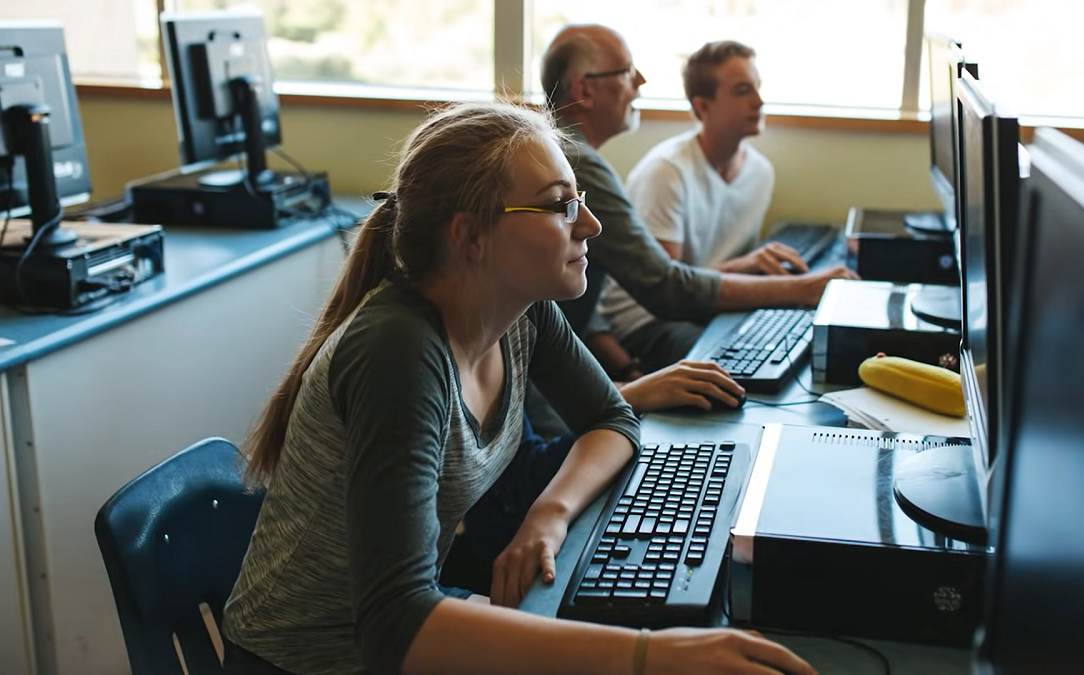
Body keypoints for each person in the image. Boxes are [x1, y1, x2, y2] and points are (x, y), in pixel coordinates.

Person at [220, 102, 815, 675]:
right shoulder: (397, 352)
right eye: (560, 206)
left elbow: (612, 419)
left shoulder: (521, 312)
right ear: (470, 237)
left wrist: (548, 515)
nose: (591, 223)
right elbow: (395, 626)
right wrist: (647, 657)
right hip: (308, 661)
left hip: (402, 633)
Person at [541, 25, 858, 374]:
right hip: (573, 367)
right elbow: (667, 289)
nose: (642, 81)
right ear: (585, 89)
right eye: (628, 71)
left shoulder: (567, 155)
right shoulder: (578, 163)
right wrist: (801, 289)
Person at [600, 40, 806, 369]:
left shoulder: (759, 172)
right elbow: (668, 292)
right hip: (648, 321)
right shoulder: (667, 172)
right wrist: (754, 271)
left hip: (706, 305)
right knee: (732, 364)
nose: (759, 101)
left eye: (758, 88)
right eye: (742, 91)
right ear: (702, 107)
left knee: (788, 341)